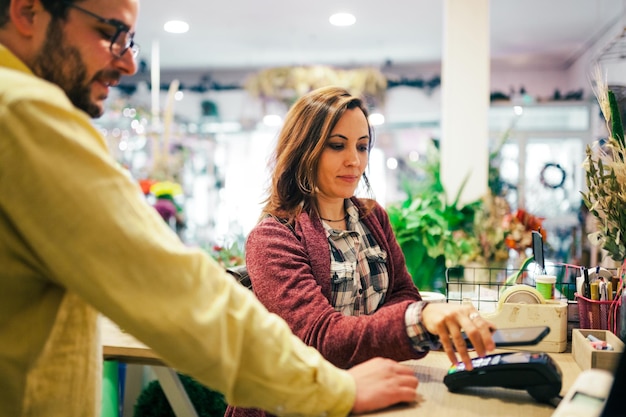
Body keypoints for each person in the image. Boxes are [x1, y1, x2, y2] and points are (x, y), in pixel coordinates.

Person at [0, 1, 419, 416]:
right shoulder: (22, 113)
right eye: (111, 32)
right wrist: (334, 388)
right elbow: (170, 289)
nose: (128, 63)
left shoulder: (371, 217)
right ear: (28, 13)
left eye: (363, 146)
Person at [226, 86, 497, 417]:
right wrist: (419, 318)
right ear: (304, 149)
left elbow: (402, 294)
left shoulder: (372, 216)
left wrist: (404, 317)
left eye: (362, 146)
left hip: (372, 394)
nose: (354, 161)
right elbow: (319, 338)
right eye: (337, 145)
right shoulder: (272, 238)